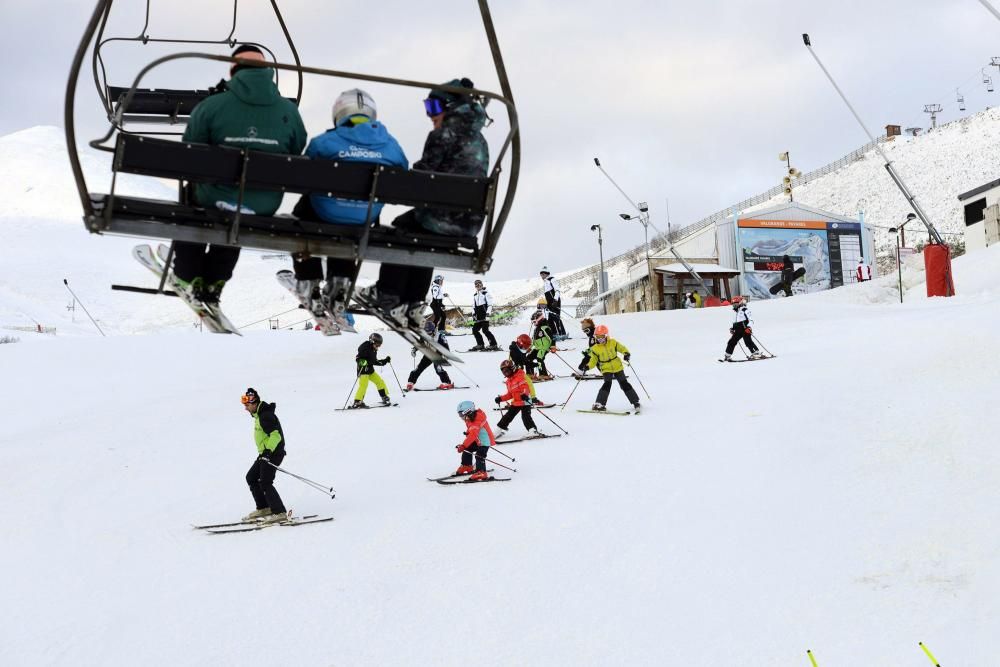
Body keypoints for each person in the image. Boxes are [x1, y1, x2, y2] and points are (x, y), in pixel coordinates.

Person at [171, 45, 307, 306]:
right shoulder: (288, 111)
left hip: (213, 197)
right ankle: (216, 279)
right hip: (262, 204)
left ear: (234, 70)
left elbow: (191, 149)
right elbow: (296, 148)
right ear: (268, 71)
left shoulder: (212, 105)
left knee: (197, 200)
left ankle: (187, 275)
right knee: (243, 208)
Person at [360, 77, 489, 329]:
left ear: (450, 107)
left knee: (401, 229)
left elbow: (423, 177)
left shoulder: (444, 133)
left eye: (434, 108)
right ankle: (413, 302)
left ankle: (388, 292)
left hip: (444, 216)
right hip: (469, 222)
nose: (431, 116)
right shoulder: (478, 139)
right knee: (424, 240)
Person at [290, 88, 408, 331]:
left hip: (326, 213)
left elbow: (307, 167)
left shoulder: (326, 142)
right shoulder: (391, 145)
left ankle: (308, 278)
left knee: (304, 212)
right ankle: (340, 281)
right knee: (351, 224)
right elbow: (403, 170)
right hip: (363, 220)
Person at [240, 388, 288, 523]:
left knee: (265, 481)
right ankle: (264, 507)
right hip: (265, 454)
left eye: (247, 405)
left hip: (273, 453)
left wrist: (267, 452)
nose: (246, 409)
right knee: (251, 477)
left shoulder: (265, 416)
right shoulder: (258, 414)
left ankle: (280, 512)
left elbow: (275, 435)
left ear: (254, 403)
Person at [587, 325, 641, 412]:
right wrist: (588, 366)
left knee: (624, 384)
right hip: (606, 368)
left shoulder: (613, 342)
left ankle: (635, 402)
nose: (600, 339)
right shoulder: (595, 349)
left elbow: (622, 348)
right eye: (598, 337)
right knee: (607, 384)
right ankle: (599, 403)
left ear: (606, 336)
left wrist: (626, 354)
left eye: (602, 337)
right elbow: (593, 361)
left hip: (617, 366)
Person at [494, 359, 541, 438]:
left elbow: (525, 388)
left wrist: (524, 394)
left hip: (525, 400)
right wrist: (501, 398)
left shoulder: (520, 376)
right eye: (504, 371)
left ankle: (533, 430)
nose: (506, 373)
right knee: (508, 416)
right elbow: (510, 394)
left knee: (525, 416)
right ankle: (498, 431)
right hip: (516, 402)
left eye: (507, 370)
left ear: (512, 368)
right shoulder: (508, 381)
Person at [406, 316, 454, 391]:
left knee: (438, 368)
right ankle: (411, 382)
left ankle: (447, 382)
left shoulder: (440, 337)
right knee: (419, 368)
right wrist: (414, 350)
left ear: (434, 330)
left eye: (430, 333)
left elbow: (446, 347)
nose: (428, 335)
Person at [454, 400, 495, 481]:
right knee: (467, 449)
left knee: (479, 455)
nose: (460, 416)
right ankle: (467, 465)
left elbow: (473, 434)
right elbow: (472, 430)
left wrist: (463, 445)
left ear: (468, 412)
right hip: (477, 440)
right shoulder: (470, 418)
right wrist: (468, 433)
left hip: (484, 442)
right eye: (459, 414)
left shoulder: (477, 420)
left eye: (461, 414)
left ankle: (481, 472)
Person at [352, 333, 392, 408]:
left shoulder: (373, 350)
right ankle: (357, 402)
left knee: (379, 381)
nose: (378, 347)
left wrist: (385, 361)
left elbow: (374, 361)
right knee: (363, 385)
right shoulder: (365, 347)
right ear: (372, 342)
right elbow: (358, 358)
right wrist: (361, 361)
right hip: (363, 371)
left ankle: (384, 397)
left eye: (379, 345)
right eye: (377, 345)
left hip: (370, 370)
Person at [722, 295, 762, 361]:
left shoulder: (744, 310)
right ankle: (727, 355)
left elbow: (751, 320)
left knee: (748, 341)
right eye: (733, 304)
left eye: (736, 304)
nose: (734, 305)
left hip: (745, 329)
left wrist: (748, 327)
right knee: (731, 342)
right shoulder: (735, 312)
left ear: (740, 303)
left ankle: (756, 353)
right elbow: (735, 322)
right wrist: (732, 328)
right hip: (738, 330)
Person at [470, 279, 499, 351]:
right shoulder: (475, 295)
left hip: (485, 315)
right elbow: (473, 306)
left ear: (482, 285)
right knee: (475, 330)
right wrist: (473, 314)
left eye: (479, 284)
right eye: (476, 285)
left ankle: (493, 344)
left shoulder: (486, 293)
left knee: (485, 330)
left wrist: (488, 313)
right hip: (478, 316)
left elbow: (490, 305)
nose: (478, 286)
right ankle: (480, 344)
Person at [540, 267, 567, 339]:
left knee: (556, 318)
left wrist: (555, 300)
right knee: (549, 319)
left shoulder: (552, 279)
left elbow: (557, 291)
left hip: (555, 301)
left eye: (543, 274)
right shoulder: (545, 282)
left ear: (546, 274)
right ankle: (554, 333)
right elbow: (547, 295)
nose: (541, 276)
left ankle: (562, 334)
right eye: (541, 274)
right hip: (549, 303)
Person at [530, 310, 555, 380]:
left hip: (544, 348)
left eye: (534, 322)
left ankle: (543, 374)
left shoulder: (545, 328)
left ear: (539, 319)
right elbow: (533, 340)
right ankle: (530, 374)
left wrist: (553, 346)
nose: (534, 324)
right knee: (529, 358)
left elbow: (551, 338)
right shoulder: (536, 329)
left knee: (539, 358)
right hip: (538, 348)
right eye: (533, 322)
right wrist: (529, 347)